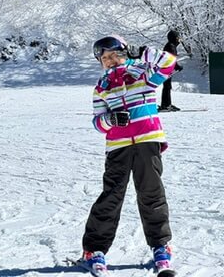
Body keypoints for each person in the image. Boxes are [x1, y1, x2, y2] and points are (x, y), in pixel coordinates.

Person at [81, 35, 176, 275]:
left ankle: (161, 246)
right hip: (118, 146)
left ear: (125, 52)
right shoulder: (101, 88)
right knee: (111, 196)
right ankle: (94, 250)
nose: (111, 61)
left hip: (148, 141)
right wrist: (109, 120)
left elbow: (169, 64)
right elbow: (97, 122)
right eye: (105, 58)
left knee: (151, 194)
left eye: (114, 55)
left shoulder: (142, 73)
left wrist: (143, 52)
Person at [159, 29, 184, 112]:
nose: (179, 39)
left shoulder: (171, 45)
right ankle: (165, 105)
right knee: (167, 86)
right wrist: (177, 66)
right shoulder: (171, 46)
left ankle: (167, 104)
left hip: (167, 68)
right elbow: (171, 59)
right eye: (178, 37)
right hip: (166, 69)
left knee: (167, 86)